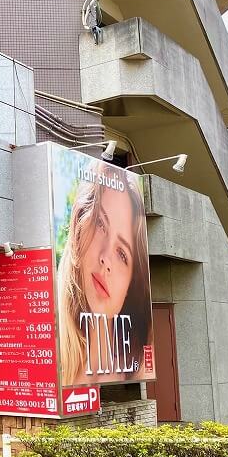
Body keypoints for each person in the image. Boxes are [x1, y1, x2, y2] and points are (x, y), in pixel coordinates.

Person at [57, 161, 151, 387]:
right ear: (79, 225)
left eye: (122, 254)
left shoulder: (135, 368)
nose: (105, 259)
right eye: (101, 224)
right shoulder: (50, 351)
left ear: (131, 284)